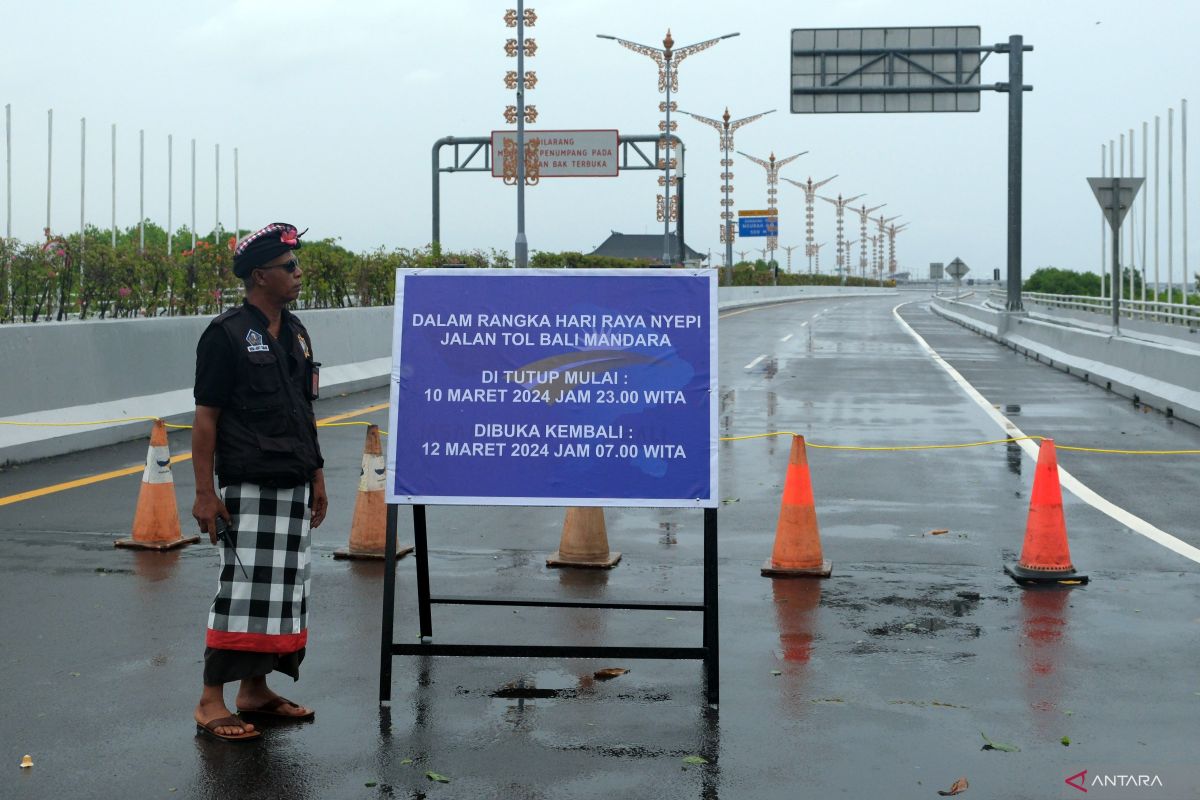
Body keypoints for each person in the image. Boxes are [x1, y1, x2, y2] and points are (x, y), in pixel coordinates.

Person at [190, 222, 328, 742]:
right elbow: (206, 419)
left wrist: (317, 476)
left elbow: (304, 409)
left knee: (284, 592)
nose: (298, 274)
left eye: (297, 266)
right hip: (249, 484)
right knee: (242, 590)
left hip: (293, 480)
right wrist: (205, 492)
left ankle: (255, 689)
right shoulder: (224, 335)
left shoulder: (295, 331)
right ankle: (210, 701)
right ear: (259, 275)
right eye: (289, 268)